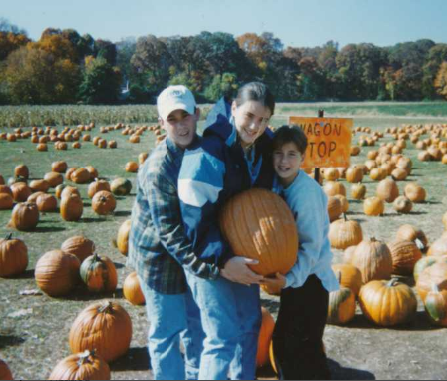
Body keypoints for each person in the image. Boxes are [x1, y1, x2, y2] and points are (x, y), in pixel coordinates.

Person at [178, 82, 276, 380]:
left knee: (249, 324)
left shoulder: (264, 146)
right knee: (221, 336)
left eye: (263, 120)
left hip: (242, 252)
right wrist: (222, 261)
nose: (255, 126)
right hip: (207, 252)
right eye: (249, 116)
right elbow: (193, 218)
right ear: (233, 108)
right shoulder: (210, 149)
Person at [128, 85, 222, 380]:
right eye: (173, 119)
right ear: (162, 123)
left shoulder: (204, 150)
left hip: (192, 251)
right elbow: (168, 233)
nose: (181, 125)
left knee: (198, 326)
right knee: (166, 331)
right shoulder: (159, 169)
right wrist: (204, 268)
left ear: (197, 114)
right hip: (158, 258)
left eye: (186, 116)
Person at [262, 125, 340, 380]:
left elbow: (311, 247)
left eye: (291, 154)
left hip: (311, 281)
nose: (284, 160)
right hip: (295, 279)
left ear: (303, 158)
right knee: (291, 345)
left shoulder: (305, 193)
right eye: (278, 153)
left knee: (300, 349)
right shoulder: (278, 184)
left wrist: (289, 279)